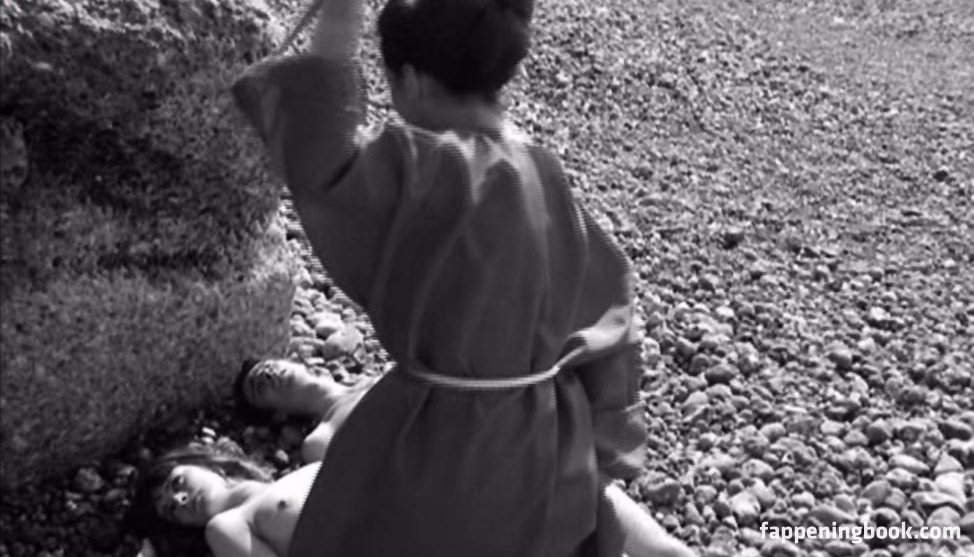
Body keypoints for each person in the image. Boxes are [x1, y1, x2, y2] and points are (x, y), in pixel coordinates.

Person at [231, 0, 653, 554]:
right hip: (546, 436)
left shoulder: (427, 167)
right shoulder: (543, 172)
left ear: (410, 79)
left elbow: (322, 150)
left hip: (440, 441)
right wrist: (597, 450)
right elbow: (608, 316)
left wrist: (340, 13)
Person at [122, 362, 693, 557]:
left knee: (570, 485)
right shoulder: (228, 526)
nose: (180, 499)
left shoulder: (298, 469)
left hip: (440, 508)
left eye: (175, 482)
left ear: (209, 460)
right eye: (171, 508)